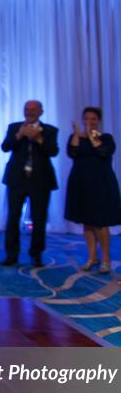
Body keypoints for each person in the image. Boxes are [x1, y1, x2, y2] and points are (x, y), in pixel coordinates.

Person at [0, 100, 59, 268]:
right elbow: (5, 147)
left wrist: (38, 138)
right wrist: (19, 136)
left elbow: (53, 151)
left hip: (40, 181)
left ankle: (36, 255)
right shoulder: (14, 127)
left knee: (39, 219)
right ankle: (11, 254)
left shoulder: (50, 130)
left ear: (41, 111)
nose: (29, 112)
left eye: (33, 109)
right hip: (17, 179)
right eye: (27, 109)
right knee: (13, 218)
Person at [64, 107, 121, 274]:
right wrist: (76, 135)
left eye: (93, 119)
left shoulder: (106, 138)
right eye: (86, 118)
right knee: (87, 221)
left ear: (98, 121)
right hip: (81, 182)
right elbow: (72, 153)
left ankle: (106, 260)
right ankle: (92, 257)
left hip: (101, 182)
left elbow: (103, 152)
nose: (89, 121)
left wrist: (91, 135)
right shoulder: (76, 137)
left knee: (100, 221)